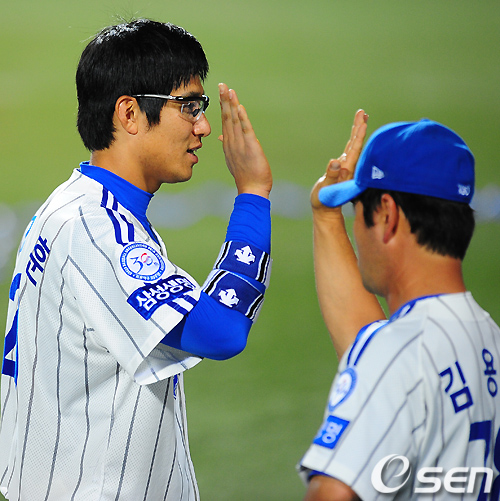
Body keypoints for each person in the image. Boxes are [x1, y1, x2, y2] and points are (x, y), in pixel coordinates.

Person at [0, 19, 272, 500]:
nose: (204, 126)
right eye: (188, 106)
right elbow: (222, 331)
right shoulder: (97, 229)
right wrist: (253, 195)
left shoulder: (72, 206)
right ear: (129, 113)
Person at [298, 113, 500, 500]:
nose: (357, 229)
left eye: (357, 209)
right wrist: (326, 217)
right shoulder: (488, 338)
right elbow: (372, 346)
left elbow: (333, 493)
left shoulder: (398, 353)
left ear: (387, 214)